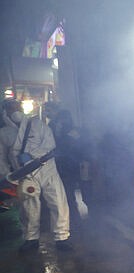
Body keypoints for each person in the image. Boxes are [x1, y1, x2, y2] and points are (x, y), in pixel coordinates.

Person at [1, 99, 72, 252]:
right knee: (29, 208)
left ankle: (62, 237)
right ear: (4, 111)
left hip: (47, 170)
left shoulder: (37, 124)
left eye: (16, 106)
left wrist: (31, 156)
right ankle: (31, 238)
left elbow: (49, 144)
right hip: (24, 175)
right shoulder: (4, 133)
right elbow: (1, 157)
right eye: (10, 107)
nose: (14, 110)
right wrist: (8, 176)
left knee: (58, 203)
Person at [47, 107, 84, 227]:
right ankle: (71, 220)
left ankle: (74, 221)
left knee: (69, 195)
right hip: (62, 167)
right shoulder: (54, 129)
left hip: (70, 167)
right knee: (66, 195)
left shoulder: (73, 131)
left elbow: (69, 146)